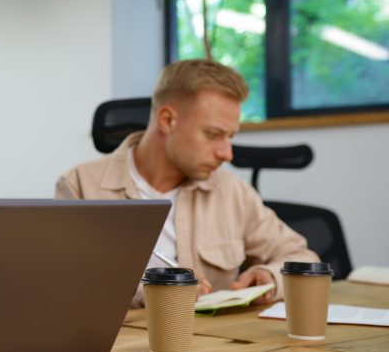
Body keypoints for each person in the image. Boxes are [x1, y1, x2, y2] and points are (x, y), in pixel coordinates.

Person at [56, 59, 319, 307]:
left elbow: (303, 258)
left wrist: (270, 275)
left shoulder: (232, 192)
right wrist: (162, 291)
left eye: (230, 137)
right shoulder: (81, 186)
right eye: (213, 134)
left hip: (216, 338)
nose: (227, 154)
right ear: (167, 120)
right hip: (126, 340)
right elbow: (66, 286)